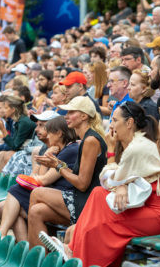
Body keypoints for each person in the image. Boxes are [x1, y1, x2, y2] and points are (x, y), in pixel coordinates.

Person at [40, 101, 160, 266]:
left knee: (94, 227)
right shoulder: (133, 144)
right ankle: (72, 249)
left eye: (114, 121)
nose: (111, 126)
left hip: (159, 214)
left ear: (129, 123)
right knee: (98, 194)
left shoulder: (137, 147)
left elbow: (108, 179)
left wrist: (112, 153)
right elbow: (112, 181)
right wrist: (120, 183)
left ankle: (79, 257)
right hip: (145, 205)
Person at [27, 96, 107, 247]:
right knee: (36, 211)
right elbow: (78, 175)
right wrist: (57, 164)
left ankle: (40, 255)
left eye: (71, 112)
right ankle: (42, 259)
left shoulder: (90, 140)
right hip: (82, 198)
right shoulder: (85, 139)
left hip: (88, 202)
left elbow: (82, 184)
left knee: (37, 193)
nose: (66, 116)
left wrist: (58, 166)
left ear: (84, 116)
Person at [0, 116, 79, 241]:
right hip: (53, 194)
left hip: (64, 198)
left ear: (59, 133)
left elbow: (43, 180)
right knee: (6, 207)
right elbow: (41, 179)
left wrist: (47, 156)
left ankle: (2, 235)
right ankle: (24, 247)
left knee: (15, 190)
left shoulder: (71, 150)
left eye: (49, 132)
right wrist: (47, 155)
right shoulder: (60, 149)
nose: (47, 136)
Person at [0, 95, 36, 173]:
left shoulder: (24, 122)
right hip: (22, 150)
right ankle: (1, 182)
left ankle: (6, 183)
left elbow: (15, 146)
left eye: (6, 108)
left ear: (13, 109)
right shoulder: (18, 121)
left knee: (4, 156)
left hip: (29, 153)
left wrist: (2, 129)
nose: (4, 111)